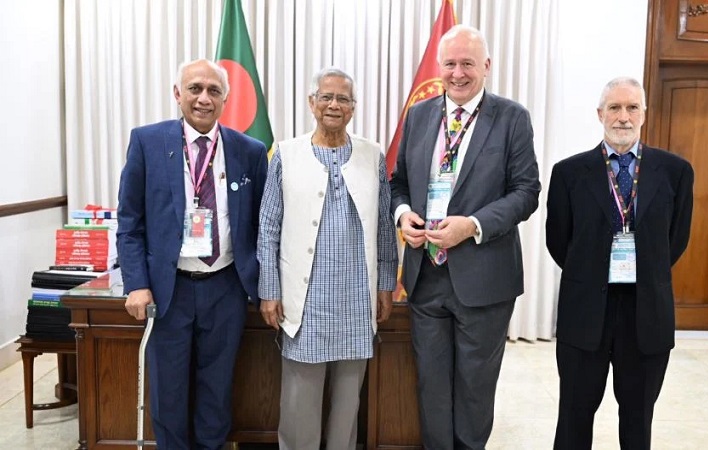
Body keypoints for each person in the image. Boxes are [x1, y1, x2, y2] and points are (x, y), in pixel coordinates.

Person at [390, 25, 541, 449]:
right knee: (432, 388)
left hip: (485, 280)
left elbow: (526, 192)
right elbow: (398, 182)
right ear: (440, 67)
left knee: (475, 389)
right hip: (426, 276)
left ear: (486, 66)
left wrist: (472, 225)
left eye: (468, 64)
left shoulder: (512, 118)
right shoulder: (419, 115)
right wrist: (403, 214)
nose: (458, 73)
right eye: (450, 64)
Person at [117, 58, 268, 449]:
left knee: (217, 392)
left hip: (226, 288)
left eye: (214, 91)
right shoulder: (147, 143)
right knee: (168, 393)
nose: (204, 98)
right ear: (177, 93)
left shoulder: (250, 151)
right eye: (195, 88)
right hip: (169, 290)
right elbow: (130, 222)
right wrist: (136, 284)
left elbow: (264, 227)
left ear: (225, 99)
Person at [546, 77, 694, 449]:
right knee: (574, 416)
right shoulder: (568, 173)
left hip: (647, 314)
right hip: (585, 311)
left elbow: (675, 240)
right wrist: (593, 271)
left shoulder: (675, 172)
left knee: (638, 419)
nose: (623, 117)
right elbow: (559, 241)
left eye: (631, 108)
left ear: (644, 113)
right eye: (614, 107)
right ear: (600, 114)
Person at [257, 67, 398, 450]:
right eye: (326, 97)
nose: (334, 105)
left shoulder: (372, 155)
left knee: (347, 404)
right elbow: (268, 226)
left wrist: (386, 284)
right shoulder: (286, 154)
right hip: (305, 303)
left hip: (356, 301)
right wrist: (269, 289)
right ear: (312, 102)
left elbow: (385, 227)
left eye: (343, 99)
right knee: (299, 403)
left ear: (353, 107)